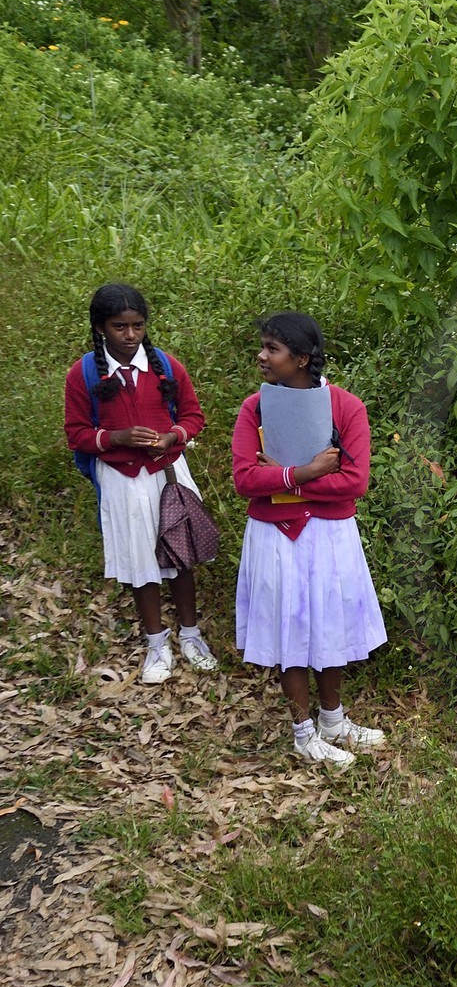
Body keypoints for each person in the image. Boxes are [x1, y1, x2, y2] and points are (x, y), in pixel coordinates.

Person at [231, 312, 387, 768]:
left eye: (271, 349)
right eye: (262, 347)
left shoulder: (345, 407)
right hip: (274, 535)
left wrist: (277, 479)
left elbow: (355, 482)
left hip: (330, 534)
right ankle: (303, 734)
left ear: (301, 359)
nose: (261, 356)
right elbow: (244, 479)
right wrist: (307, 472)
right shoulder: (254, 407)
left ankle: (333, 720)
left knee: (329, 621)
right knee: (290, 626)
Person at [64, 283, 218, 685]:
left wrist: (173, 437)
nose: (130, 335)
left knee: (180, 554)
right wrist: (115, 438)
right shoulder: (83, 375)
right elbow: (77, 433)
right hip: (121, 478)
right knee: (140, 562)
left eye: (137, 325)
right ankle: (156, 643)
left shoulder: (166, 367)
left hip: (168, 474)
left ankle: (191, 635)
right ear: (101, 328)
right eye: (119, 327)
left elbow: (193, 416)